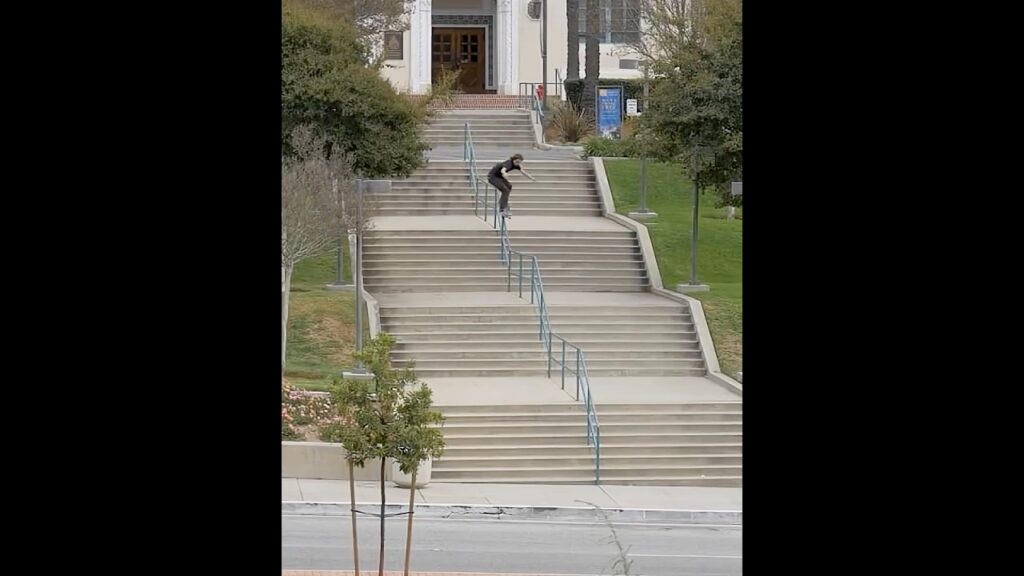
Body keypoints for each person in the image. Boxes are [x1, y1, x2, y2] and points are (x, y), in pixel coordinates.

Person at [487, 153, 536, 218]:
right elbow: (503, 170)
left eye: (519, 162)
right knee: (505, 190)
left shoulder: (517, 165)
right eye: (516, 162)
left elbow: (523, 172)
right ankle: (502, 210)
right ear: (513, 159)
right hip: (492, 177)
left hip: (500, 177)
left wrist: (531, 178)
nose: (517, 163)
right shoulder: (509, 163)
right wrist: (505, 174)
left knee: (509, 186)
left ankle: (503, 202)